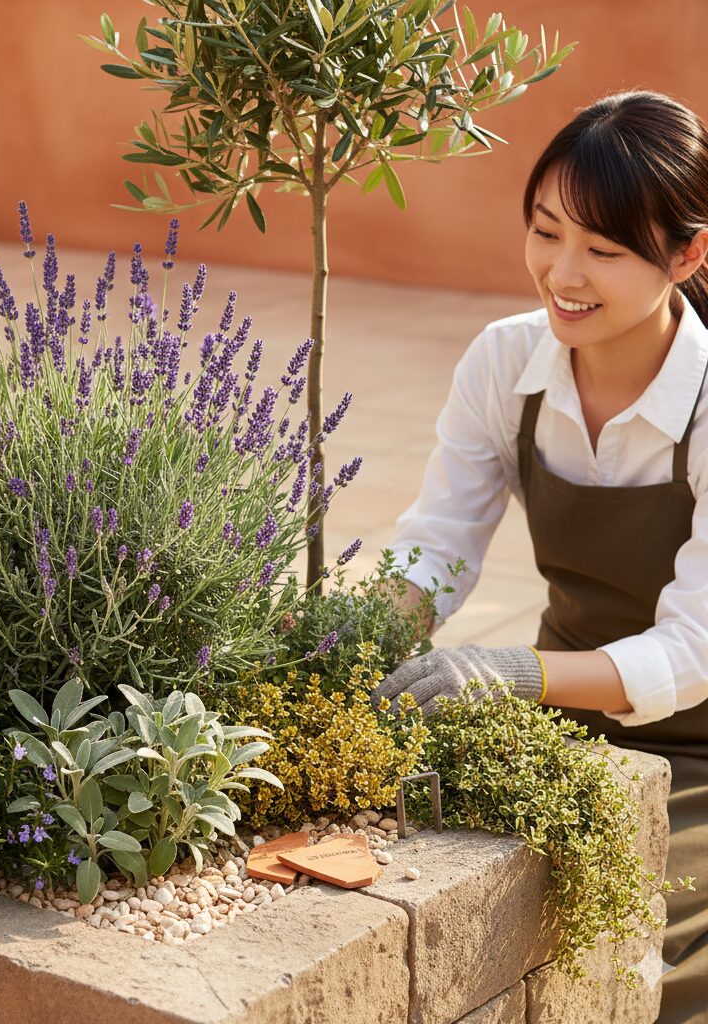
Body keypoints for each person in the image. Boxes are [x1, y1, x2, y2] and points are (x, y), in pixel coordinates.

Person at [375, 91, 708, 1024]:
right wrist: (354, 639)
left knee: (637, 952)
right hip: (562, 717)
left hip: (696, 747)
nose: (563, 273)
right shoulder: (503, 364)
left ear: (686, 254)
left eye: (604, 251)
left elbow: (692, 650)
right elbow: (437, 545)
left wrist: (513, 673)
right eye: (546, 231)